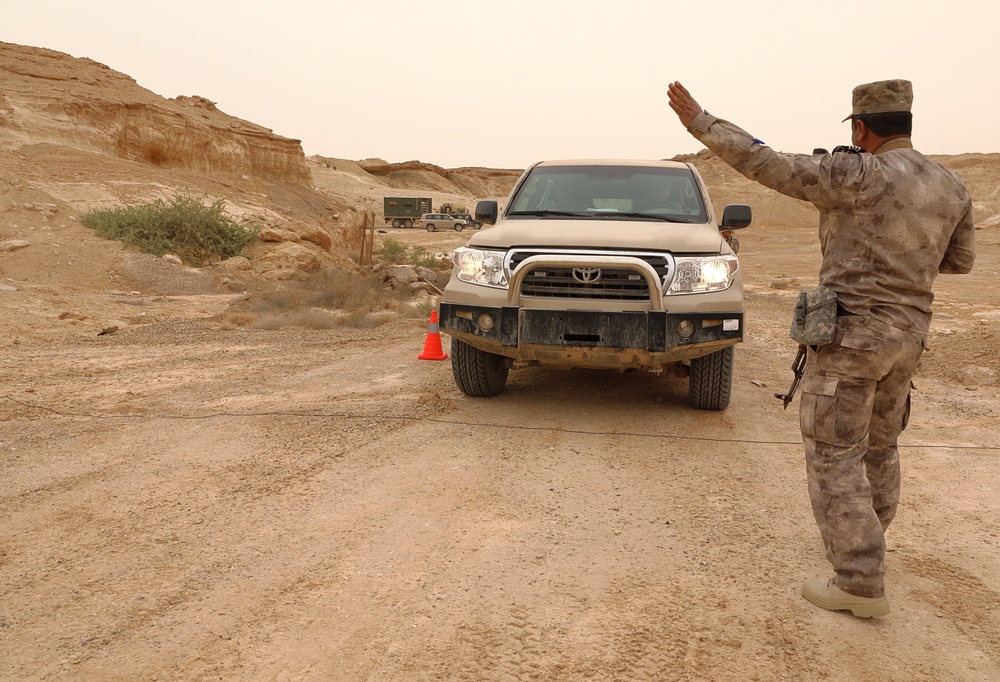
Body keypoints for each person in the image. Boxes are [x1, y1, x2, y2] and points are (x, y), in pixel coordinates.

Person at [667, 79, 976, 617]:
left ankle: (858, 580)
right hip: (909, 338)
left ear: (860, 128)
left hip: (853, 335)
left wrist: (702, 123)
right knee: (880, 447)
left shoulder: (855, 172)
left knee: (834, 450)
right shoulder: (950, 185)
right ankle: (867, 544)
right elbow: (960, 262)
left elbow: (768, 164)